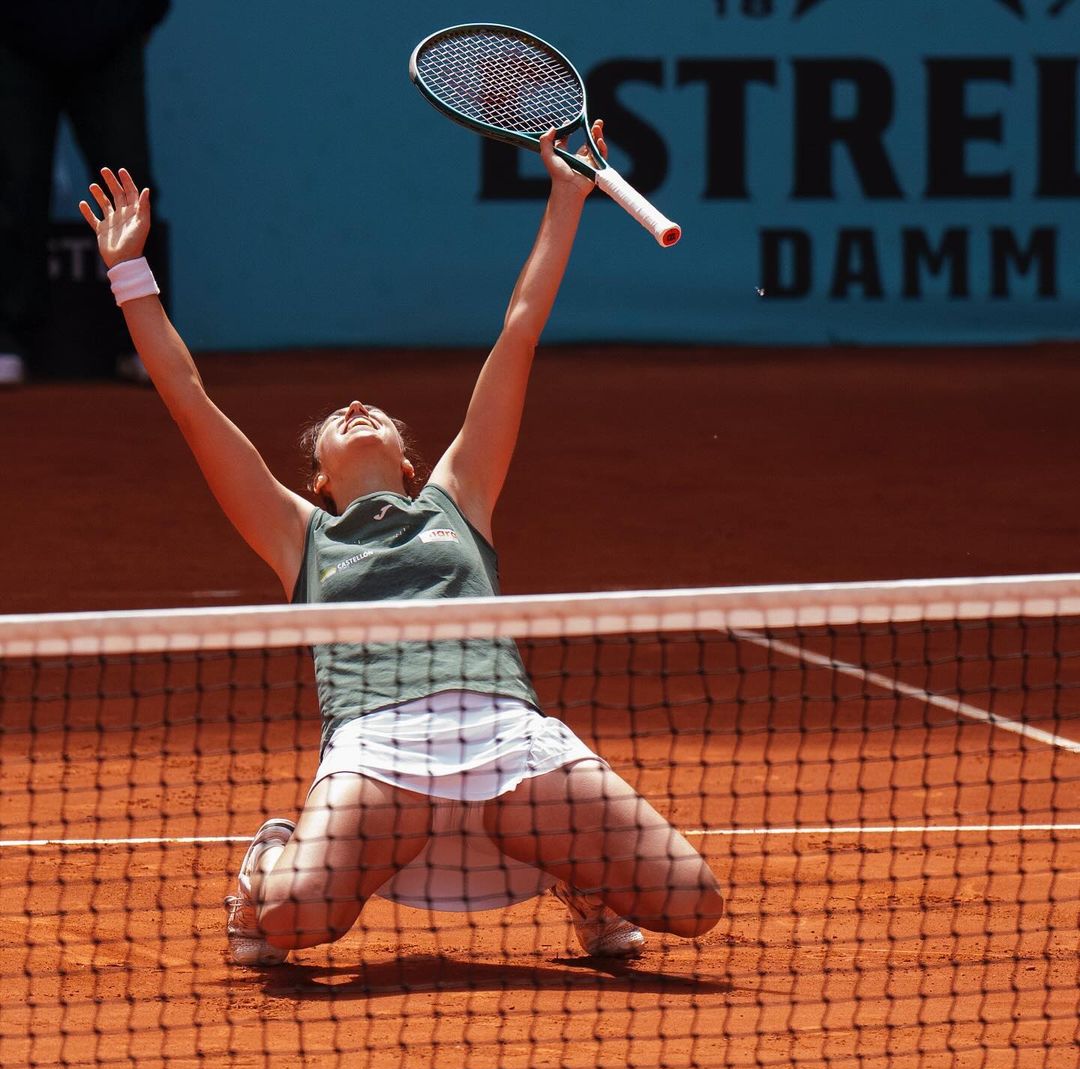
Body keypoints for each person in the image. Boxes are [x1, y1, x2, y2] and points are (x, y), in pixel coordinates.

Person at [77, 124, 725, 966]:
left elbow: (519, 331)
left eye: (376, 413)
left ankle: (583, 877)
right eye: (339, 421)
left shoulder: (460, 499)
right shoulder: (298, 534)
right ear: (317, 479)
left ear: (412, 463)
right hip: (379, 749)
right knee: (288, 926)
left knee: (695, 902)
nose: (357, 405)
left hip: (509, 736)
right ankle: (268, 861)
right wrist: (130, 275)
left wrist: (567, 199)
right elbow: (189, 400)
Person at [0, 1, 168, 384]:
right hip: (12, 43)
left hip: (110, 38)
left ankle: (143, 340)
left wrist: (139, 16)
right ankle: (8, 338)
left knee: (130, 184)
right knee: (15, 185)